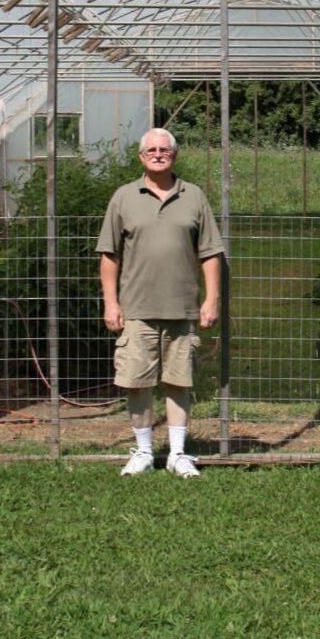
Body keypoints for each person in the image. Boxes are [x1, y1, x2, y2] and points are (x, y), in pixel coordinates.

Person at [96, 127, 224, 477]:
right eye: (150, 150)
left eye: (164, 150)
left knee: (180, 381)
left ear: (174, 155)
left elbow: (211, 254)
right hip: (136, 310)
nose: (157, 154)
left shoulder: (194, 197)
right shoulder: (124, 197)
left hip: (182, 309)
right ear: (141, 157)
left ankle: (178, 454)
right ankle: (143, 450)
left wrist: (211, 300)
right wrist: (111, 303)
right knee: (136, 382)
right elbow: (109, 256)